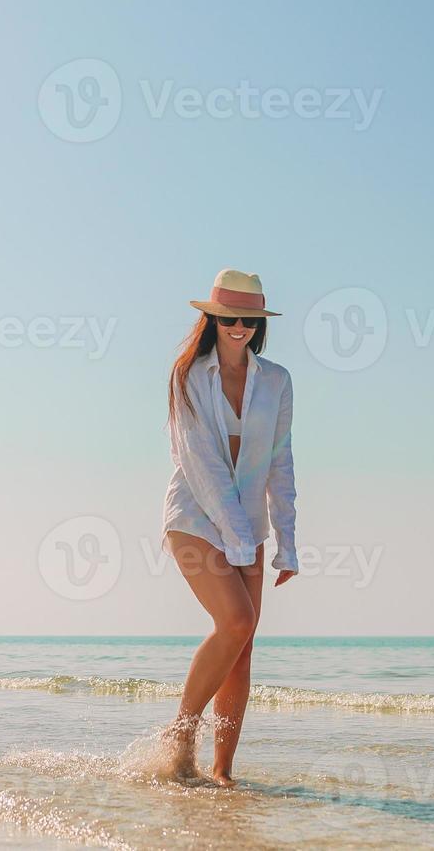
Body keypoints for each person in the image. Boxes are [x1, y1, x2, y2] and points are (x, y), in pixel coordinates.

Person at [160, 268, 299, 786]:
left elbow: (281, 463)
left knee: (243, 647)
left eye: (249, 319)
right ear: (212, 319)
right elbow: (202, 465)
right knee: (236, 622)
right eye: (228, 318)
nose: (239, 327)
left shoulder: (278, 381)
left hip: (252, 525)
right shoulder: (189, 376)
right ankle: (178, 737)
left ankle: (221, 771)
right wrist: (239, 538)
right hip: (196, 516)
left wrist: (286, 541)